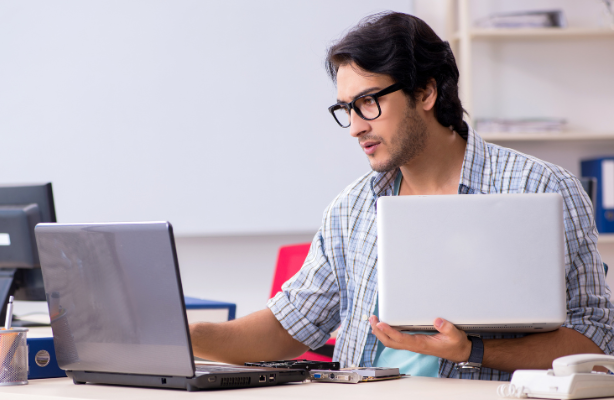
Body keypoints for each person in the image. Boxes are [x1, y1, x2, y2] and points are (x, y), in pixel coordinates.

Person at [189, 11, 614, 381]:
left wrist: (474, 351)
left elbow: (595, 340)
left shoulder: (540, 188)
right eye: (346, 109)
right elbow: (286, 328)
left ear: (426, 93)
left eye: (368, 102)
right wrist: (177, 336)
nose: (355, 126)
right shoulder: (352, 208)